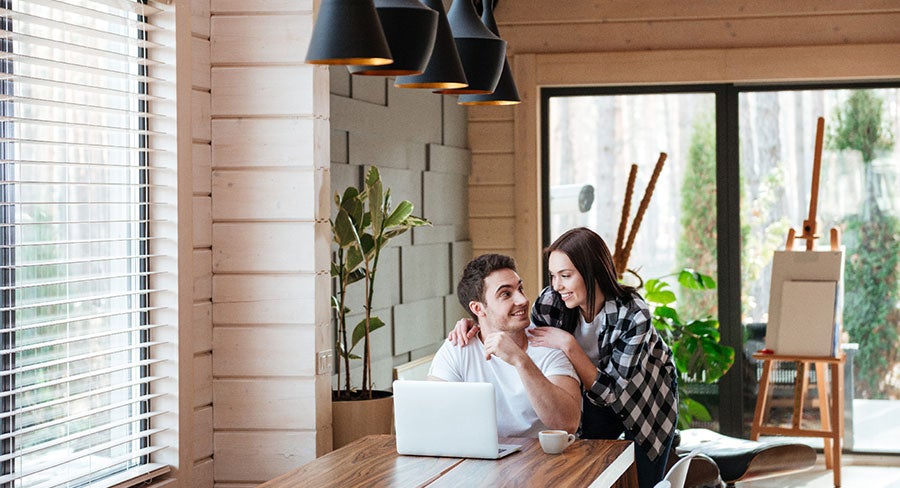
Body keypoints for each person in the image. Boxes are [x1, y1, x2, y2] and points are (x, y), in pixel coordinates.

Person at [449, 228, 678, 488]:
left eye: (566, 276)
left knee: (642, 482)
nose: (557, 286)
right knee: (591, 474)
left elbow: (611, 393)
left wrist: (569, 345)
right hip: (590, 398)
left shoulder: (633, 314)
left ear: (592, 272)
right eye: (553, 276)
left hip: (644, 399)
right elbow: (521, 332)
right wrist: (477, 321)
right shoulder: (552, 301)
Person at [428, 253, 581, 437]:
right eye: (506, 294)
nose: (523, 300)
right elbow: (432, 418)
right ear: (478, 308)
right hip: (481, 460)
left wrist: (520, 360)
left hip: (543, 461)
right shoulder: (458, 348)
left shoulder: (548, 343)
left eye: (520, 289)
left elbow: (568, 424)